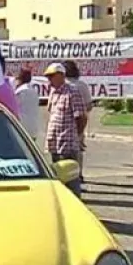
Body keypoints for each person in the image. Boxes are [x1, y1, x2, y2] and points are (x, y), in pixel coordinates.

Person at [44, 62, 87, 197]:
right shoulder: (53, 92)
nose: (49, 79)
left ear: (61, 75)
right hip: (54, 142)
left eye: (52, 76)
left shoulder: (72, 92)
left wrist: (77, 135)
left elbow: (81, 117)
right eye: (48, 77)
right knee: (57, 176)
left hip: (67, 142)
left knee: (70, 178)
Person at [63, 60, 92, 182]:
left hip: (64, 121)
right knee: (78, 147)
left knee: (64, 149)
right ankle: (78, 174)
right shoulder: (82, 85)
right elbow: (89, 105)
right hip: (80, 119)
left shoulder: (62, 85)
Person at [14, 68, 40, 141]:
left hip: (21, 129)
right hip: (33, 129)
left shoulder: (19, 93)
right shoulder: (34, 92)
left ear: (19, 79)